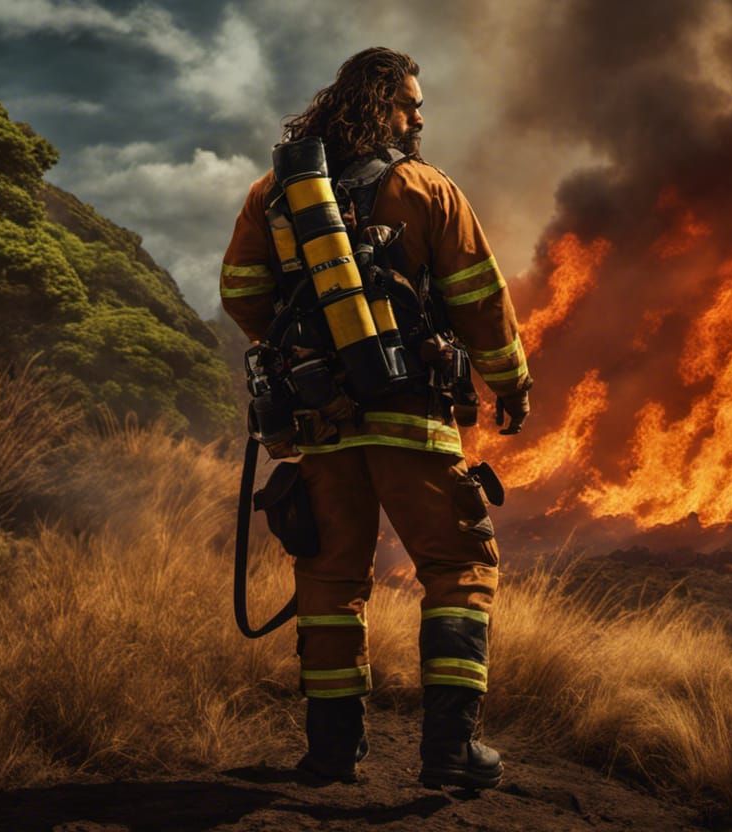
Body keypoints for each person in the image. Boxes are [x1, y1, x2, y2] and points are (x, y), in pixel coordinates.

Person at [219, 47, 531, 790]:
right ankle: (451, 752)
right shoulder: (426, 189)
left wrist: (301, 353)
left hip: (323, 424)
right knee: (459, 568)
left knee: (330, 579)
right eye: (409, 105)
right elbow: (480, 298)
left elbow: (239, 291)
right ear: (377, 105)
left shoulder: (275, 193)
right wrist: (510, 382)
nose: (420, 117)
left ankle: (332, 752)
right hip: (412, 421)